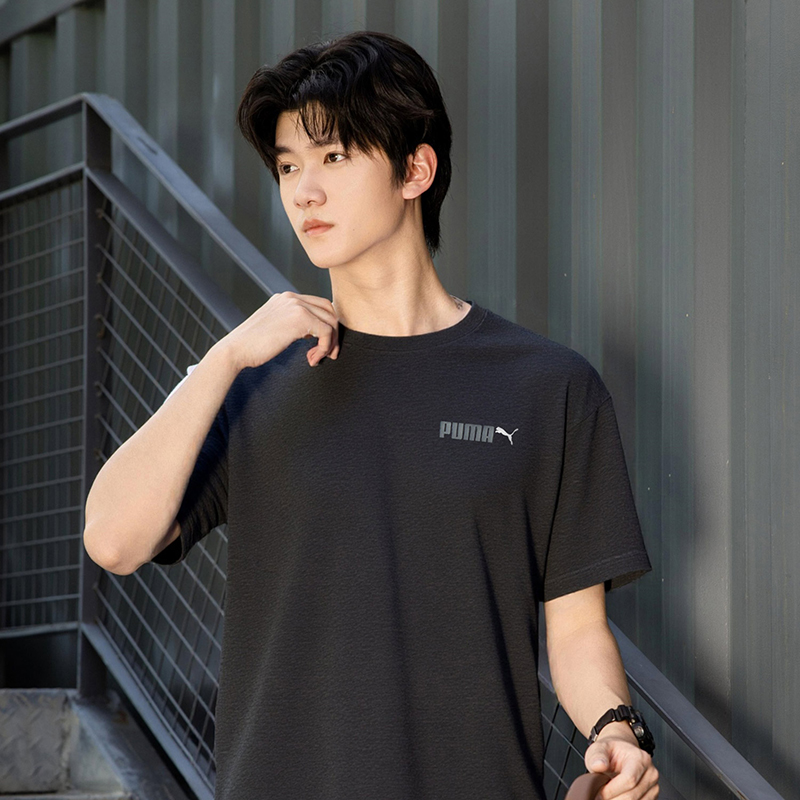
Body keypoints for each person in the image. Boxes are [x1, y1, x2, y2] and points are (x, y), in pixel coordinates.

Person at [83, 30, 659, 800]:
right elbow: (112, 540)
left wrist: (615, 732)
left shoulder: (549, 388)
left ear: (415, 170)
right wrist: (220, 360)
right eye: (289, 166)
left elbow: (577, 627)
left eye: (334, 157)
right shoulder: (254, 382)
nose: (303, 192)